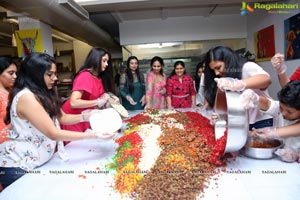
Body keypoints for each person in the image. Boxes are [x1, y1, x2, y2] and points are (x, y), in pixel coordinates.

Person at [0, 53, 110, 190]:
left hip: (37, 161)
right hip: (18, 165)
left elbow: (62, 117)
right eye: (49, 74)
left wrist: (86, 116)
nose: (55, 78)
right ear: (35, 74)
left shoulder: (44, 92)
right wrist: (94, 135)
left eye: (55, 74)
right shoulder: (26, 97)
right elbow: (53, 133)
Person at [204, 46, 272, 129]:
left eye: (218, 67)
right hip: (239, 124)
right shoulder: (223, 77)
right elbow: (221, 103)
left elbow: (266, 79)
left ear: (228, 61)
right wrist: (218, 115)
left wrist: (238, 84)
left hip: (261, 122)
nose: (216, 73)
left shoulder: (247, 67)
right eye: (213, 70)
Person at [61, 47, 118, 132]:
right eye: (104, 61)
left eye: (107, 61)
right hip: (73, 117)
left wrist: (110, 100)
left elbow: (95, 100)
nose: (106, 64)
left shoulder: (98, 77)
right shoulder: (85, 76)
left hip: (85, 116)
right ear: (96, 59)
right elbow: (73, 102)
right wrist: (98, 101)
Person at [241, 80, 300, 162]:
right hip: (275, 160)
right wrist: (256, 99)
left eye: (289, 112)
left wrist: (295, 155)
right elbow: (268, 104)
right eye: (281, 108)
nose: (283, 113)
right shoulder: (281, 109)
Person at [0, 57, 17, 144]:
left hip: (16, 140)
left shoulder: (12, 91)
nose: (15, 76)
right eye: (11, 73)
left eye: (15, 73)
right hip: (4, 144)